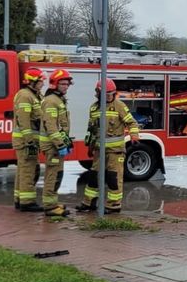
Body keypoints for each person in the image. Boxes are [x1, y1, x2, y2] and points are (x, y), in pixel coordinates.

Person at [78, 80, 141, 213]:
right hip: (99, 150)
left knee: (114, 177)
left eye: (111, 94)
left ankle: (113, 205)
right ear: (98, 93)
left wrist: (134, 135)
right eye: (105, 94)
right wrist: (90, 147)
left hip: (115, 151)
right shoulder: (94, 108)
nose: (108, 96)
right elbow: (92, 130)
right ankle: (89, 203)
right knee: (94, 176)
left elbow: (132, 123)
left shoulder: (119, 106)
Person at [40, 69, 74, 217]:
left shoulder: (57, 99)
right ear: (55, 84)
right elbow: (51, 125)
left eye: (67, 84)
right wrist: (60, 145)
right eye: (63, 84)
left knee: (57, 174)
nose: (66, 86)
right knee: (53, 175)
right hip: (53, 146)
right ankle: (50, 206)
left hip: (56, 144)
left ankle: (53, 203)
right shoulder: (51, 101)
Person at [11, 67, 45, 211]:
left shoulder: (35, 95)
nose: (42, 83)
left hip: (28, 140)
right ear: (32, 82)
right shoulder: (25, 96)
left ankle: (20, 199)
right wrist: (29, 140)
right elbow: (23, 120)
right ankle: (27, 202)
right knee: (28, 171)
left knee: (24, 170)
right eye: (40, 81)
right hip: (26, 141)